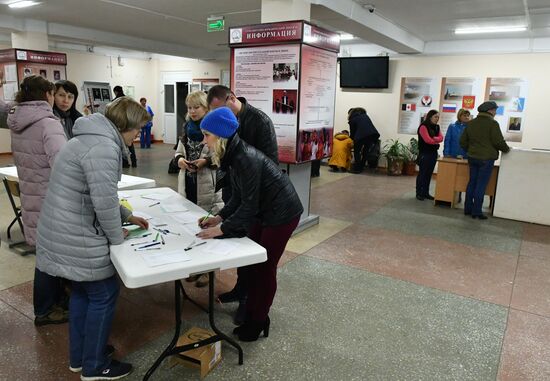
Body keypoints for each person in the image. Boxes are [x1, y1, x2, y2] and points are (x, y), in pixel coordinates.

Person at [35, 96, 150, 380]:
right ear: (126, 125)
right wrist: (117, 239)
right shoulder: (104, 147)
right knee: (104, 293)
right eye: (138, 129)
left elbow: (93, 192)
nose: (138, 135)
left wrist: (127, 215)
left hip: (62, 230)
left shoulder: (87, 137)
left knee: (83, 293)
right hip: (78, 235)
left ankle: (81, 356)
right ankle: (95, 366)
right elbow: (103, 202)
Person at [197, 107, 303, 342]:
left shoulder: (245, 158)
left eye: (207, 135)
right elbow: (238, 196)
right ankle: (254, 314)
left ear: (221, 136)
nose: (204, 141)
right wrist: (220, 217)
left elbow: (249, 206)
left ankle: (258, 320)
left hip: (282, 214)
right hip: (265, 212)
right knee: (254, 265)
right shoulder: (233, 154)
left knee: (265, 268)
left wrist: (220, 230)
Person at [207, 85, 279, 324]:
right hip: (239, 193)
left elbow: (268, 163)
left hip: (259, 200)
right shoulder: (228, 136)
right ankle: (241, 289)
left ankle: (251, 304)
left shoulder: (259, 122)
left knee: (256, 255)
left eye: (218, 110)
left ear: (232, 99)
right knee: (242, 245)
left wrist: (223, 225)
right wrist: (223, 216)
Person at [7, 75, 68, 326]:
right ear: (47, 95)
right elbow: (64, 165)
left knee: (46, 254)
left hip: (33, 197)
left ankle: (53, 302)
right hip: (52, 200)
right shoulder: (47, 123)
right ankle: (45, 310)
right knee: (49, 258)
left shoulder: (17, 122)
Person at [173, 91, 223, 287]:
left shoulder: (214, 129)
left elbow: (221, 155)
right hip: (188, 183)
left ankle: (208, 271)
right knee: (190, 225)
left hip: (208, 184)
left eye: (197, 107)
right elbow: (177, 152)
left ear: (206, 108)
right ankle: (195, 267)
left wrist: (206, 161)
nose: (192, 111)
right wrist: (181, 161)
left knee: (208, 224)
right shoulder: (186, 129)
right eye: (189, 107)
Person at [460, 101, 510, 219]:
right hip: (486, 159)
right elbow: (498, 142)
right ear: (490, 111)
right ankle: (477, 212)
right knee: (481, 184)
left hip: (472, 158)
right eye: (495, 110)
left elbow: (462, 142)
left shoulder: (471, 123)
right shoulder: (493, 124)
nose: (495, 112)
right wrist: (507, 149)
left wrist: (471, 150)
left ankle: (468, 208)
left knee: (472, 182)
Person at [416, 109, 443, 201]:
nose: (437, 119)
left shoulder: (437, 127)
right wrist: (435, 141)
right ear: (430, 117)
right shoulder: (423, 127)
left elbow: (441, 138)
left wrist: (434, 139)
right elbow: (427, 140)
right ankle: (419, 193)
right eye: (435, 117)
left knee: (429, 174)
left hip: (433, 153)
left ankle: (425, 192)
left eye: (438, 117)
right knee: (422, 174)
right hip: (425, 153)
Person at [347, 107, 380, 174]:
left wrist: (351, 140)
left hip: (361, 136)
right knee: (365, 151)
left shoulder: (353, 119)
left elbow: (352, 133)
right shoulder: (365, 116)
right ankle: (362, 166)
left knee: (357, 152)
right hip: (372, 135)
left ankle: (357, 169)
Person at [114, 86, 137, 168]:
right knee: (130, 144)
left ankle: (125, 163)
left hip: (119, 126)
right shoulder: (128, 100)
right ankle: (134, 162)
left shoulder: (114, 102)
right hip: (129, 125)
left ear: (115, 92)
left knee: (121, 144)